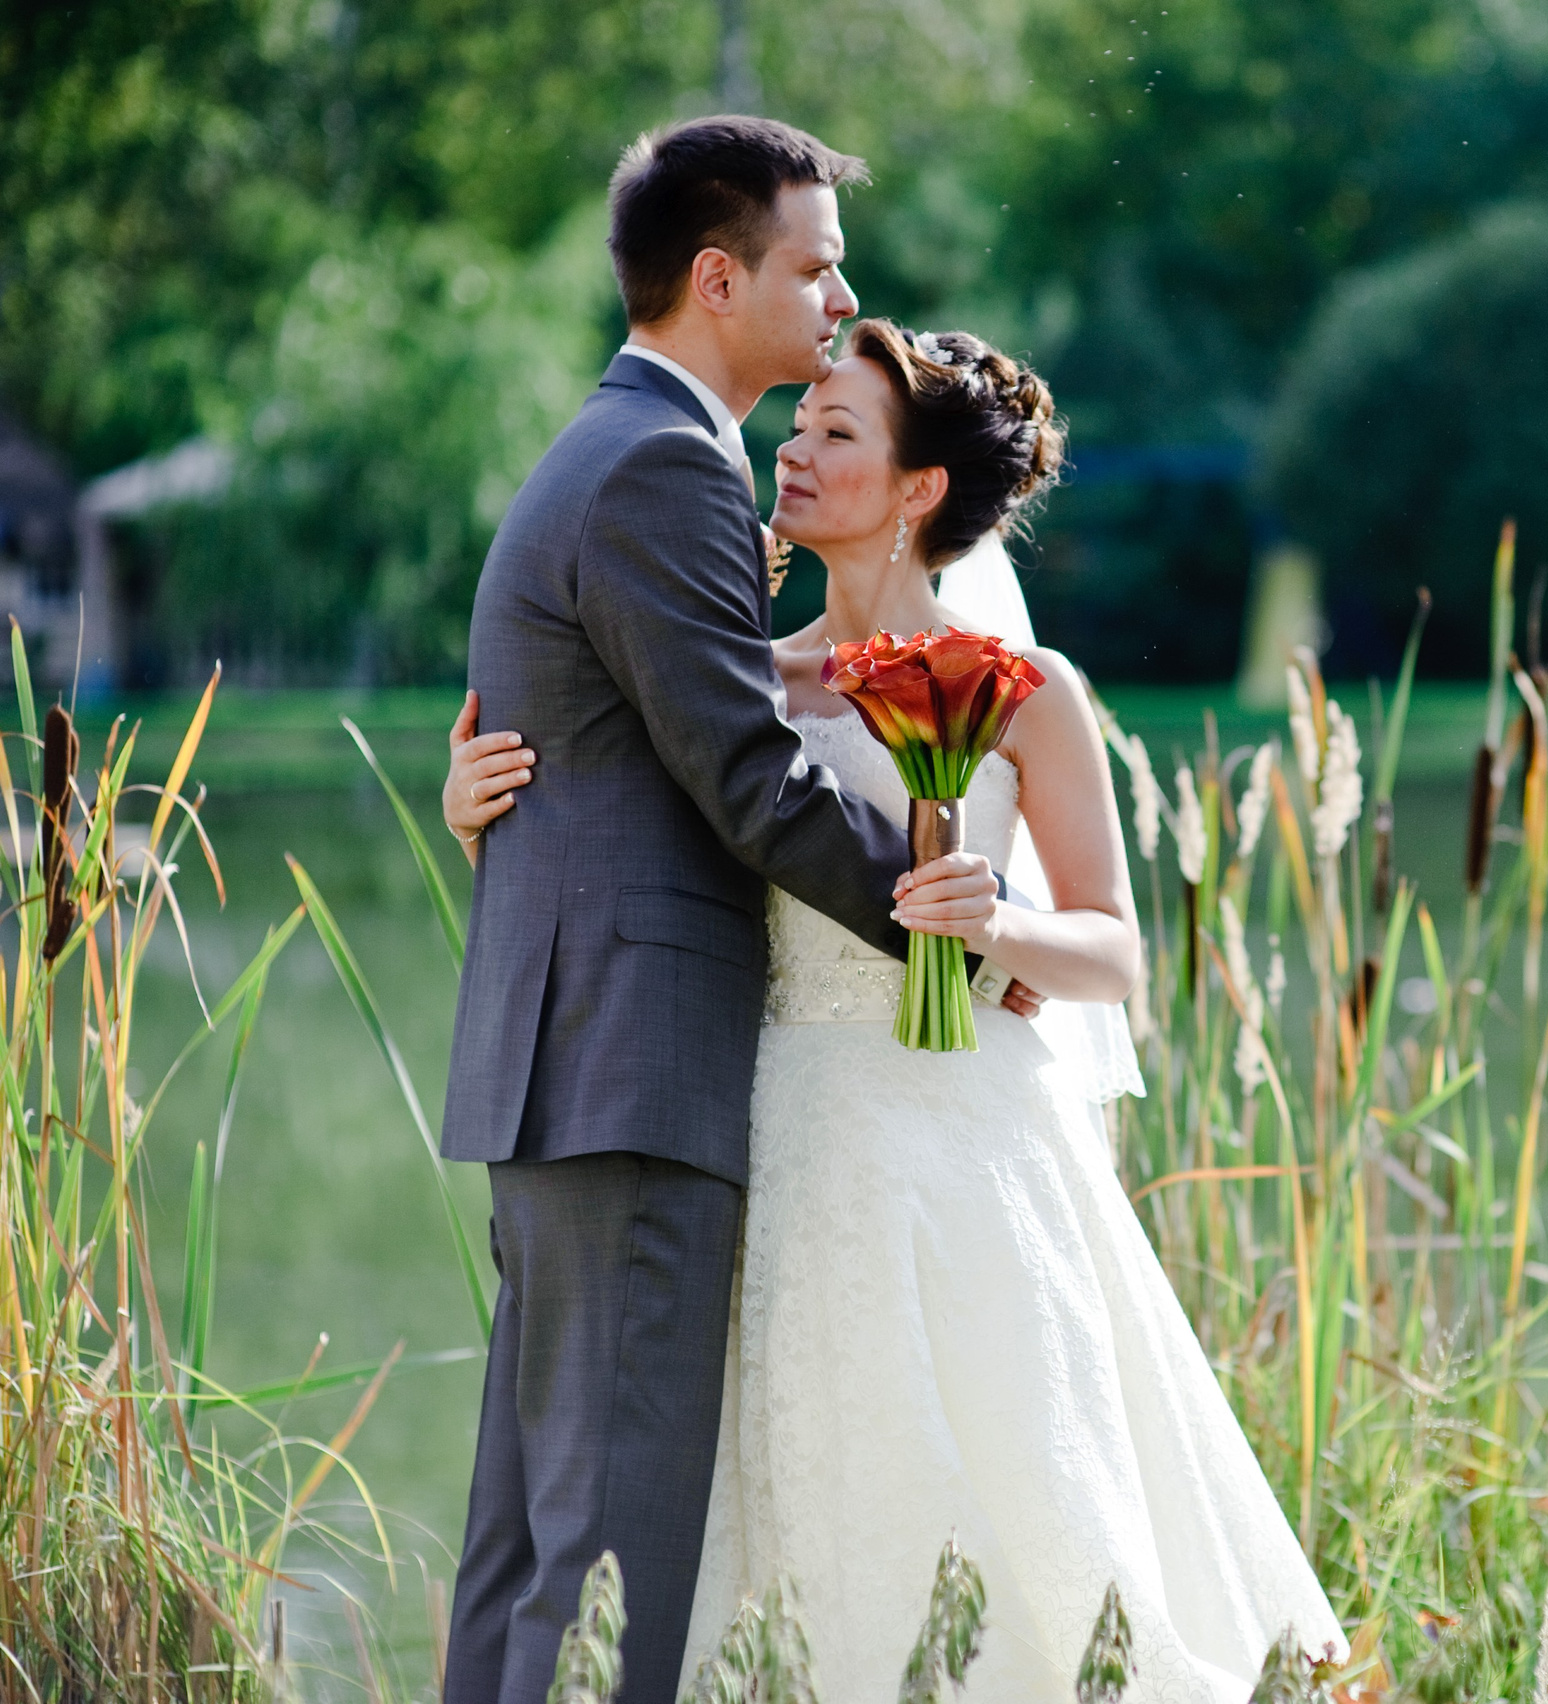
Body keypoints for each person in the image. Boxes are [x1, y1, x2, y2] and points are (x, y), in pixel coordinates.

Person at [446, 322, 1344, 1699]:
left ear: (919, 489)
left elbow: (1113, 952)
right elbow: (618, 855)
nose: (790, 449)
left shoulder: (1032, 696)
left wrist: (998, 925)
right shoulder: (738, 678)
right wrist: (484, 818)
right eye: (797, 422)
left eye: (835, 432)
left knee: (1005, 1493)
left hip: (970, 1148)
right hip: (770, 1124)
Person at [436, 116, 1020, 1704]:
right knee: (607, 1560)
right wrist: (947, 930)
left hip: (576, 1061)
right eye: (814, 265)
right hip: (628, 1069)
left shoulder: (612, 450)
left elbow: (605, 725)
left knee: (535, 1544)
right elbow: (750, 784)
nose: (841, 298)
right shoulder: (666, 467)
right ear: (718, 276)